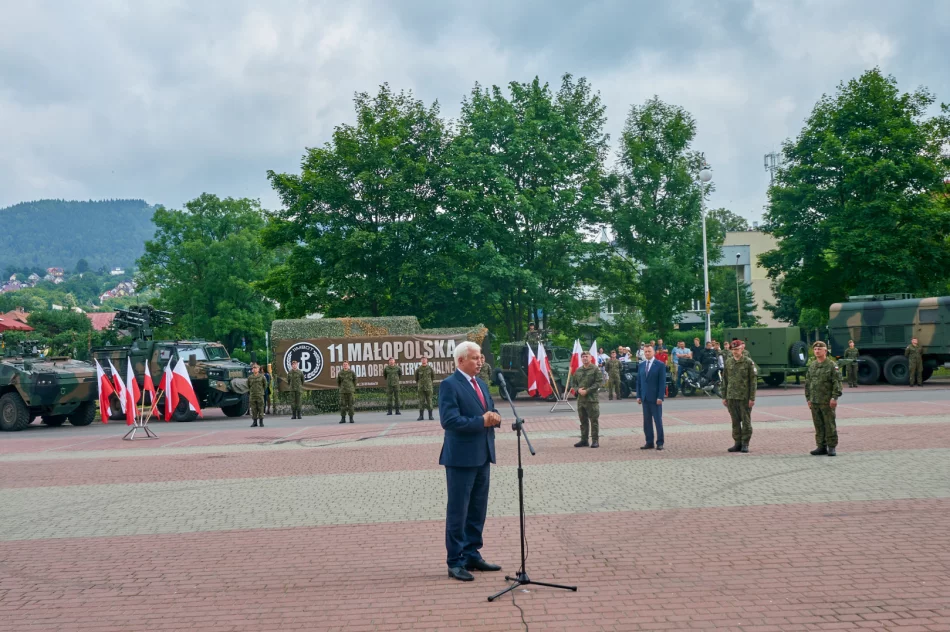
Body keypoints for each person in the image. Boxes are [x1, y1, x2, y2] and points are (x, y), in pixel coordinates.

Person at [438, 340, 503, 582]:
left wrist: (495, 417)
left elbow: (490, 410)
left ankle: (472, 553)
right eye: (475, 358)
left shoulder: (482, 384)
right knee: (458, 511)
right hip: (460, 459)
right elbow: (449, 421)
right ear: (461, 361)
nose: (480, 361)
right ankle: (455, 561)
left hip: (483, 455)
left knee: (477, 509)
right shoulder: (449, 385)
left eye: (481, 357)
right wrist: (481, 421)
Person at [805, 341, 842, 456]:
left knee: (829, 424)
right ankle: (821, 446)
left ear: (825, 351)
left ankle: (831, 446)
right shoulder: (812, 365)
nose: (817, 351)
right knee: (818, 425)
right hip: (815, 401)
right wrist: (808, 399)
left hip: (827, 401)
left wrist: (834, 397)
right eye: (815, 349)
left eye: (819, 349)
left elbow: (837, 383)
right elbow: (808, 383)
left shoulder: (832, 365)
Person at [721, 341, 756, 453]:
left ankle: (745, 443)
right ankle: (737, 443)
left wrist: (752, 398)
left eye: (737, 349)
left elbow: (753, 382)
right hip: (731, 396)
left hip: (744, 397)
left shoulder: (748, 362)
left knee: (746, 421)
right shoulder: (729, 362)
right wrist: (724, 396)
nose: (735, 352)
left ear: (742, 349)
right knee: (735, 421)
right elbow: (725, 380)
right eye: (733, 350)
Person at [636, 344, 665, 450]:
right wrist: (638, 395)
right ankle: (649, 442)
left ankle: (660, 442)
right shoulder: (641, 365)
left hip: (655, 398)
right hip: (644, 398)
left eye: (649, 351)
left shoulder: (660, 365)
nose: (647, 353)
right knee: (647, 421)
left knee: (658, 421)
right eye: (645, 351)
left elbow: (662, 382)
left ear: (653, 352)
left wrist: (660, 397)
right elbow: (639, 381)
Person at [573, 351, 602, 448]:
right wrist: (578, 390)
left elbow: (598, 383)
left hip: (591, 399)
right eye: (583, 357)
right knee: (583, 421)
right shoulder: (578, 370)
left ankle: (595, 440)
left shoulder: (595, 369)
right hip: (581, 400)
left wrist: (588, 391)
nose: (585, 358)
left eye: (586, 356)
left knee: (594, 421)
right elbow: (573, 384)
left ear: (591, 358)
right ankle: (584, 440)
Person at [416, 356, 436, 421]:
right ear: (421, 361)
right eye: (422, 359)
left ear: (427, 360)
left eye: (425, 359)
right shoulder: (418, 369)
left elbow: (433, 377)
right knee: (421, 401)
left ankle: (430, 416)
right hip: (421, 388)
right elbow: (416, 378)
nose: (424, 360)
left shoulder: (430, 368)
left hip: (428, 388)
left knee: (429, 401)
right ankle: (421, 416)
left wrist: (429, 383)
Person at [248, 363, 266, 428]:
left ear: (258, 369)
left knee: (261, 408)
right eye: (253, 368)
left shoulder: (262, 377)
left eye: (255, 368)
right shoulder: (250, 377)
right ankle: (254, 422)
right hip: (252, 395)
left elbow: (265, 385)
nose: (254, 369)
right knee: (253, 409)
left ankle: (261, 422)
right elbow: (248, 385)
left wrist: (261, 391)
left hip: (260, 395)